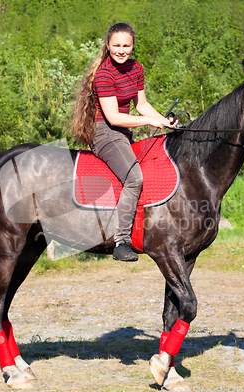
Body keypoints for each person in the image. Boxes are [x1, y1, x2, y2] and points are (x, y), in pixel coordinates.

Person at [73, 22, 175, 262]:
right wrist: (150, 122)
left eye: (126, 46)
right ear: (108, 46)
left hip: (123, 132)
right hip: (104, 132)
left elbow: (141, 105)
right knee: (134, 178)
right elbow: (113, 117)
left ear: (132, 46)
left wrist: (163, 119)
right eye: (116, 45)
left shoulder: (136, 68)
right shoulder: (104, 74)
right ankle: (122, 241)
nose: (121, 50)